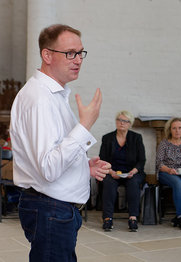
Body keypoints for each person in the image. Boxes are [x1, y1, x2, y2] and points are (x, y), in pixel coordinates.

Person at [9, 24, 110, 261]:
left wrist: (84, 166)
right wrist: (84, 126)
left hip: (54, 209)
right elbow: (48, 167)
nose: (77, 60)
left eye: (80, 53)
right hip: (50, 209)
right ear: (47, 55)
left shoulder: (52, 95)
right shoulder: (40, 99)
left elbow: (53, 152)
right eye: (69, 53)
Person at [100, 110, 146, 232]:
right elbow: (102, 160)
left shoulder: (136, 138)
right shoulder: (107, 138)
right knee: (108, 183)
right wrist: (110, 172)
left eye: (125, 121)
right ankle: (108, 218)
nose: (122, 123)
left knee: (133, 183)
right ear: (116, 122)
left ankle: (133, 218)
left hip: (132, 172)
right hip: (113, 171)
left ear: (130, 124)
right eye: (119, 120)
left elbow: (141, 160)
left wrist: (133, 171)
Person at [156, 117, 181, 230]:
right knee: (179, 184)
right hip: (167, 172)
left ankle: (180, 216)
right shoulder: (164, 144)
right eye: (174, 128)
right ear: (170, 130)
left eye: (179, 128)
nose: (177, 131)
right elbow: (159, 163)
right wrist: (169, 170)